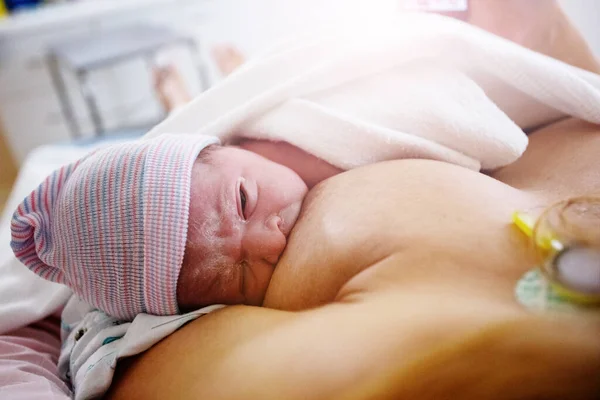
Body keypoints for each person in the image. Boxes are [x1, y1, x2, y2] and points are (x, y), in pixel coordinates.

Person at [104, 2, 600, 399]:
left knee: (223, 156)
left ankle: (200, 95)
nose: (266, 238)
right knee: (205, 175)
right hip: (545, 108)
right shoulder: (473, 349)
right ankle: (200, 96)